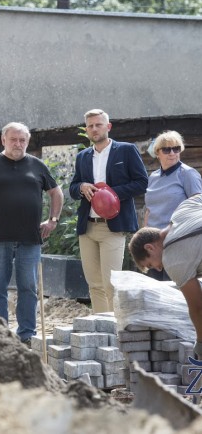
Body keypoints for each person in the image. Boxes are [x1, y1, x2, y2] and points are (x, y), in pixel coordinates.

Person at [0, 122, 64, 346]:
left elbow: (56, 192)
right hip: (0, 238)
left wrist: (53, 220)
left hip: (31, 239)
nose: (18, 144)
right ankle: (0, 334)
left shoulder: (37, 165)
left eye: (22, 140)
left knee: (28, 288)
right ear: (3, 140)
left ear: (27, 142)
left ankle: (26, 334)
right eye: (14, 139)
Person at [69, 109, 148, 313]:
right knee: (94, 285)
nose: (94, 129)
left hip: (113, 226)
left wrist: (110, 194)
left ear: (108, 126)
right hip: (87, 227)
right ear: (86, 130)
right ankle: (101, 328)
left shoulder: (126, 150)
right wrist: (81, 187)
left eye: (98, 124)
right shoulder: (82, 157)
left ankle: (116, 331)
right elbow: (73, 187)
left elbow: (141, 182)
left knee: (111, 284)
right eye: (90, 126)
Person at [129, 194, 202, 357]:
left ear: (149, 248)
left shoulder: (172, 260)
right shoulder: (183, 209)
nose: (158, 269)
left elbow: (197, 307)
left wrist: (200, 343)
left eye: (150, 265)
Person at [143, 130, 202, 280]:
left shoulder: (188, 174)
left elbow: (197, 207)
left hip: (177, 241)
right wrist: (143, 233)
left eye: (176, 149)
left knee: (174, 291)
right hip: (153, 245)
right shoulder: (153, 177)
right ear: (158, 153)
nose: (172, 153)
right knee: (155, 291)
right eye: (167, 149)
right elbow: (149, 209)